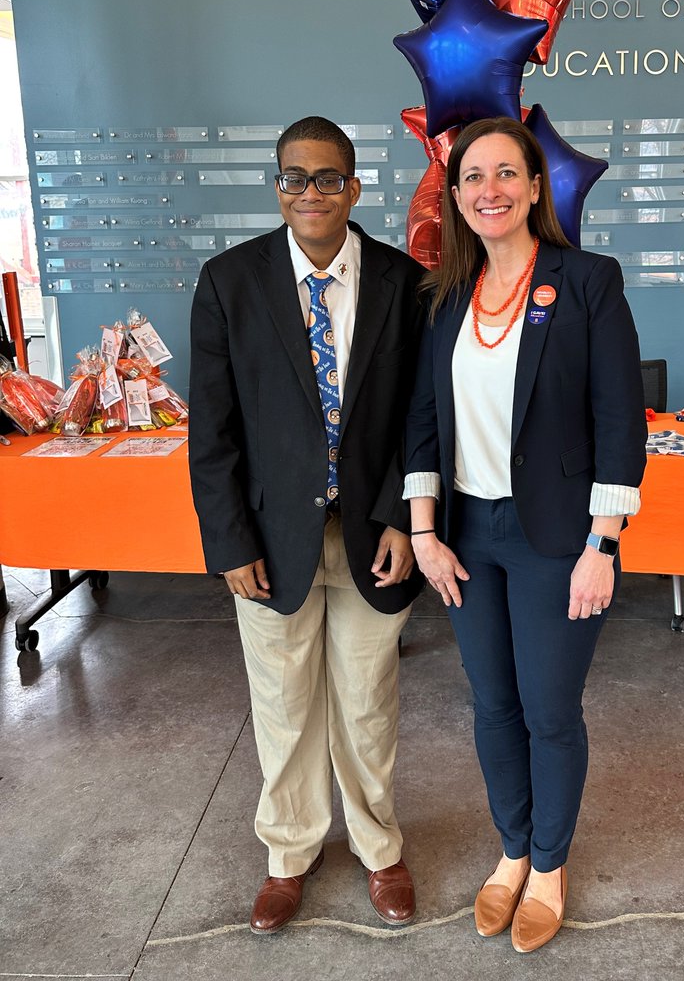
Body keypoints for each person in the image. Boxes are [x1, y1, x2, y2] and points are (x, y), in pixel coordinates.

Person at [404, 116, 647, 953]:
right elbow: (424, 424)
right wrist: (425, 532)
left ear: (536, 187)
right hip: (468, 536)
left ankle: (549, 865)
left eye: (507, 174)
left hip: (556, 538)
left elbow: (620, 422)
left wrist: (601, 546)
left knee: (549, 710)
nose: (490, 190)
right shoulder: (445, 300)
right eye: (473, 178)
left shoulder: (587, 282)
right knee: (493, 706)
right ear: (458, 195)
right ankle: (510, 852)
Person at [189, 116, 425, 933]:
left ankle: (376, 844)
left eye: (329, 178)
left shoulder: (405, 282)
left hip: (371, 534)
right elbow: (211, 431)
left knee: (366, 702)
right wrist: (228, 543)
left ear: (355, 188)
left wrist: (405, 514)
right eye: (295, 177)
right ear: (278, 186)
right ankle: (290, 852)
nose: (311, 192)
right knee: (284, 704)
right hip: (268, 540)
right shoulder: (229, 282)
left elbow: (419, 419)